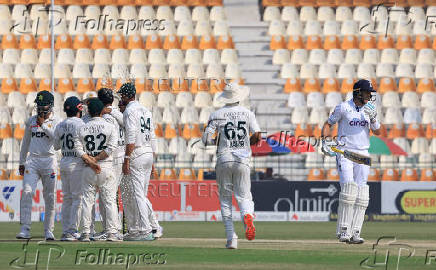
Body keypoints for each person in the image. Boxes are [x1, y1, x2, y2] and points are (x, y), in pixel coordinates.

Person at [202, 82, 261, 249]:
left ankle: (231, 238)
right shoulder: (248, 113)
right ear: (239, 97)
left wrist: (217, 140)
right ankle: (247, 216)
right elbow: (257, 135)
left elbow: (206, 140)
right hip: (242, 160)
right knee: (244, 197)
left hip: (224, 159)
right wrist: (246, 144)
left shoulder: (216, 114)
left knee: (225, 199)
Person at [321, 79, 381, 244]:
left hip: (363, 154)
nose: (369, 96)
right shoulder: (343, 107)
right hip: (345, 151)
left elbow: (379, 132)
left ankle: (355, 232)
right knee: (348, 190)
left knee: (362, 194)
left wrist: (374, 118)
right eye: (367, 93)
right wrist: (326, 140)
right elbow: (328, 124)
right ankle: (343, 231)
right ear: (358, 92)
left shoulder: (370, 110)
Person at [118, 82, 160, 241]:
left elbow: (131, 137)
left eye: (122, 95)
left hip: (136, 153)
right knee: (141, 194)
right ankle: (139, 230)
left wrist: (126, 159)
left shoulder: (129, 111)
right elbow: (153, 136)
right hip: (148, 152)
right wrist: (153, 160)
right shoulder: (145, 110)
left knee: (138, 195)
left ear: (128, 96)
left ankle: (145, 230)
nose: (121, 98)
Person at [74, 98, 120, 242]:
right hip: (106, 166)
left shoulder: (82, 127)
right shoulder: (109, 126)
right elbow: (111, 148)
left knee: (88, 202)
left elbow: (78, 149)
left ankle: (86, 233)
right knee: (109, 201)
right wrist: (98, 159)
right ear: (101, 111)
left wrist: (91, 160)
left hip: (88, 167)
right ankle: (112, 233)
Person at [17, 90, 60, 240]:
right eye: (39, 105)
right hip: (33, 161)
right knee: (27, 192)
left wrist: (44, 126)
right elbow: (25, 142)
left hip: (49, 160)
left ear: (51, 105)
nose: (41, 108)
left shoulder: (57, 121)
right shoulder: (31, 121)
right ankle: (25, 229)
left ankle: (49, 230)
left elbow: (57, 140)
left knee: (50, 197)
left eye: (44, 105)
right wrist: (22, 162)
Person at [91, 88, 124, 241]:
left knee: (107, 196)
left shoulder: (108, 117)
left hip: (113, 157)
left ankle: (111, 230)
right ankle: (113, 229)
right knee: (110, 195)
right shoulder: (118, 113)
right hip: (120, 156)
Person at [53, 97, 85, 241]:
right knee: (78, 198)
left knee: (67, 198)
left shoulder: (60, 125)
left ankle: (66, 230)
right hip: (77, 162)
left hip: (64, 161)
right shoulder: (81, 124)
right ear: (78, 109)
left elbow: (56, 146)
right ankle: (72, 230)